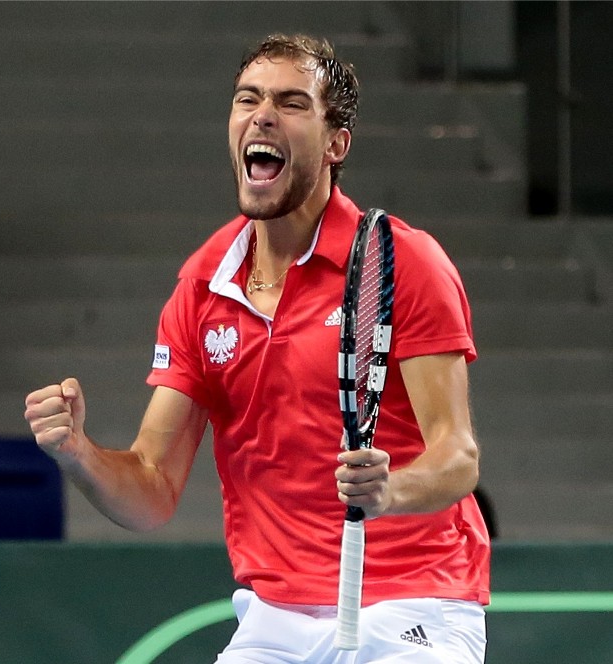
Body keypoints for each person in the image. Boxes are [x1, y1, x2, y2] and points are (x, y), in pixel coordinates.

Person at [24, 33, 489, 663]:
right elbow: (154, 489)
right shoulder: (202, 286)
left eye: (292, 103)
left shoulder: (397, 261)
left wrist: (391, 493)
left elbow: (457, 457)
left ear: (336, 144)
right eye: (248, 99)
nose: (262, 114)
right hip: (275, 617)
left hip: (414, 601)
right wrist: (79, 454)